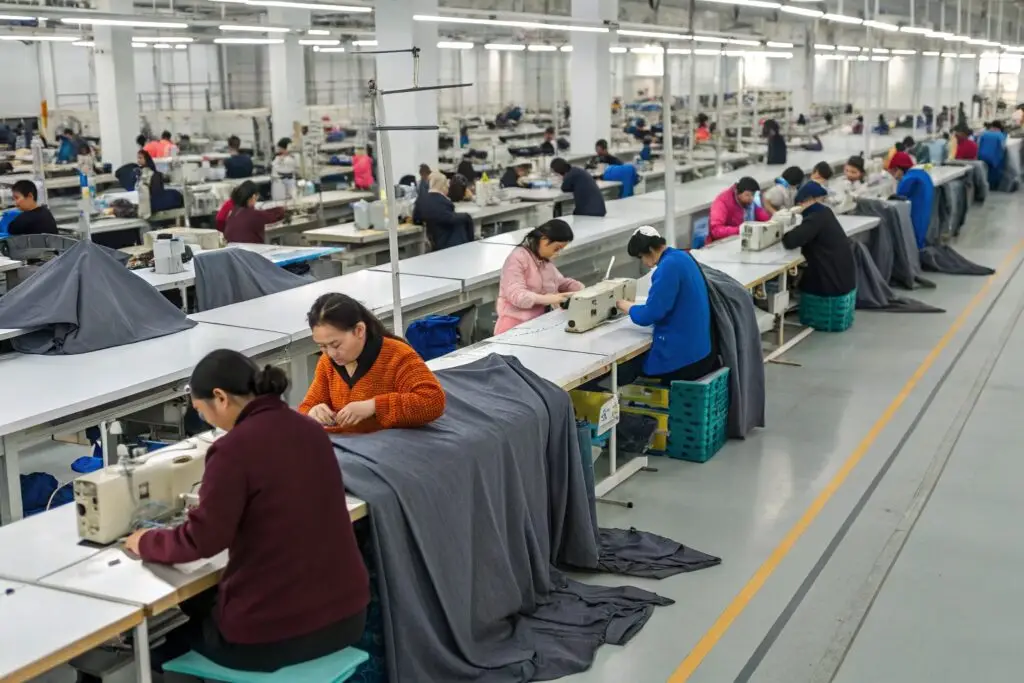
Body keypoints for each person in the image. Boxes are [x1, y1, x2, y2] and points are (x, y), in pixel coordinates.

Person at [123, 350, 369, 674]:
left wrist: (146, 541)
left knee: (160, 647)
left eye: (202, 412)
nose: (208, 422)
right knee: (205, 600)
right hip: (347, 618)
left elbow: (202, 541)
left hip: (275, 636)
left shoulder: (232, 450)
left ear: (220, 397)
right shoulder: (309, 429)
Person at [298, 293, 446, 433]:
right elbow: (307, 405)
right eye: (322, 346)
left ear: (359, 330)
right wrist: (312, 412)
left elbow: (432, 401)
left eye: (336, 345)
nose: (331, 353)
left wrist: (374, 406)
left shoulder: (397, 356)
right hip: (346, 446)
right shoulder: (327, 363)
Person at [611, 226, 717, 386]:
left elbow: (650, 315)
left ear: (650, 250)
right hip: (702, 352)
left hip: (684, 360)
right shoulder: (682, 256)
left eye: (641, 257)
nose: (643, 262)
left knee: (621, 371)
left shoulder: (667, 267)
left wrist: (626, 306)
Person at [494, 219, 584, 334]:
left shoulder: (543, 261)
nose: (557, 253)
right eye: (556, 248)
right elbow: (518, 296)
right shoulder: (517, 258)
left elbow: (560, 282)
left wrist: (581, 289)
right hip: (514, 329)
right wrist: (550, 298)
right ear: (543, 240)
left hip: (538, 325)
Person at [781, 182, 856, 297]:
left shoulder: (816, 217)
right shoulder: (825, 213)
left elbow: (790, 241)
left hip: (829, 286)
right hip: (843, 280)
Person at [412, 171, 474, 249]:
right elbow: (449, 219)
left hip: (436, 242)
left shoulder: (420, 200)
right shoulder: (446, 202)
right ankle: (471, 245)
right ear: (443, 186)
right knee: (465, 219)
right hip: (451, 243)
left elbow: (416, 219)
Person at [888, 150, 933, 249]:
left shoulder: (908, 179)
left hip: (915, 216)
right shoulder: (923, 174)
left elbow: (897, 198)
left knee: (913, 242)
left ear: (898, 169)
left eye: (893, 172)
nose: (894, 176)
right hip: (924, 214)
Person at [708, 176, 770, 243]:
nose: (751, 198)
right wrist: (741, 230)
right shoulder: (721, 203)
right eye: (747, 195)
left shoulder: (748, 201)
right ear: (738, 193)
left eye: (753, 195)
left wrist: (770, 222)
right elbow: (716, 230)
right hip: (723, 243)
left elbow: (759, 213)